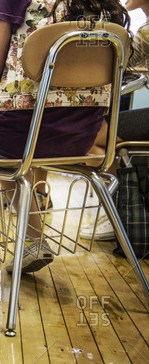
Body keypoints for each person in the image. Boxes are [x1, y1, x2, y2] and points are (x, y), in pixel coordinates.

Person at [0, 0, 131, 273]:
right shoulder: (101, 2)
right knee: (12, 150)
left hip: (14, 132)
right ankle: (33, 240)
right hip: (81, 136)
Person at [80, 0, 149, 240]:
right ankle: (123, 209)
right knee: (89, 137)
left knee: (83, 134)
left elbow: (120, 59)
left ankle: (122, 211)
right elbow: (125, 60)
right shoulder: (144, 30)